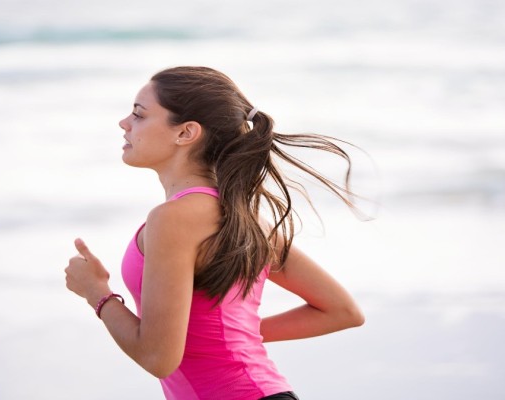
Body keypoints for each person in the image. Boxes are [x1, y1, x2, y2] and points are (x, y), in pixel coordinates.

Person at [64, 66, 365, 400]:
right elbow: (341, 311)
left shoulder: (173, 219)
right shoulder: (243, 218)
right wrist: (233, 338)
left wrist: (96, 292)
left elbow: (158, 358)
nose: (124, 123)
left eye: (139, 114)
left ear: (185, 133)